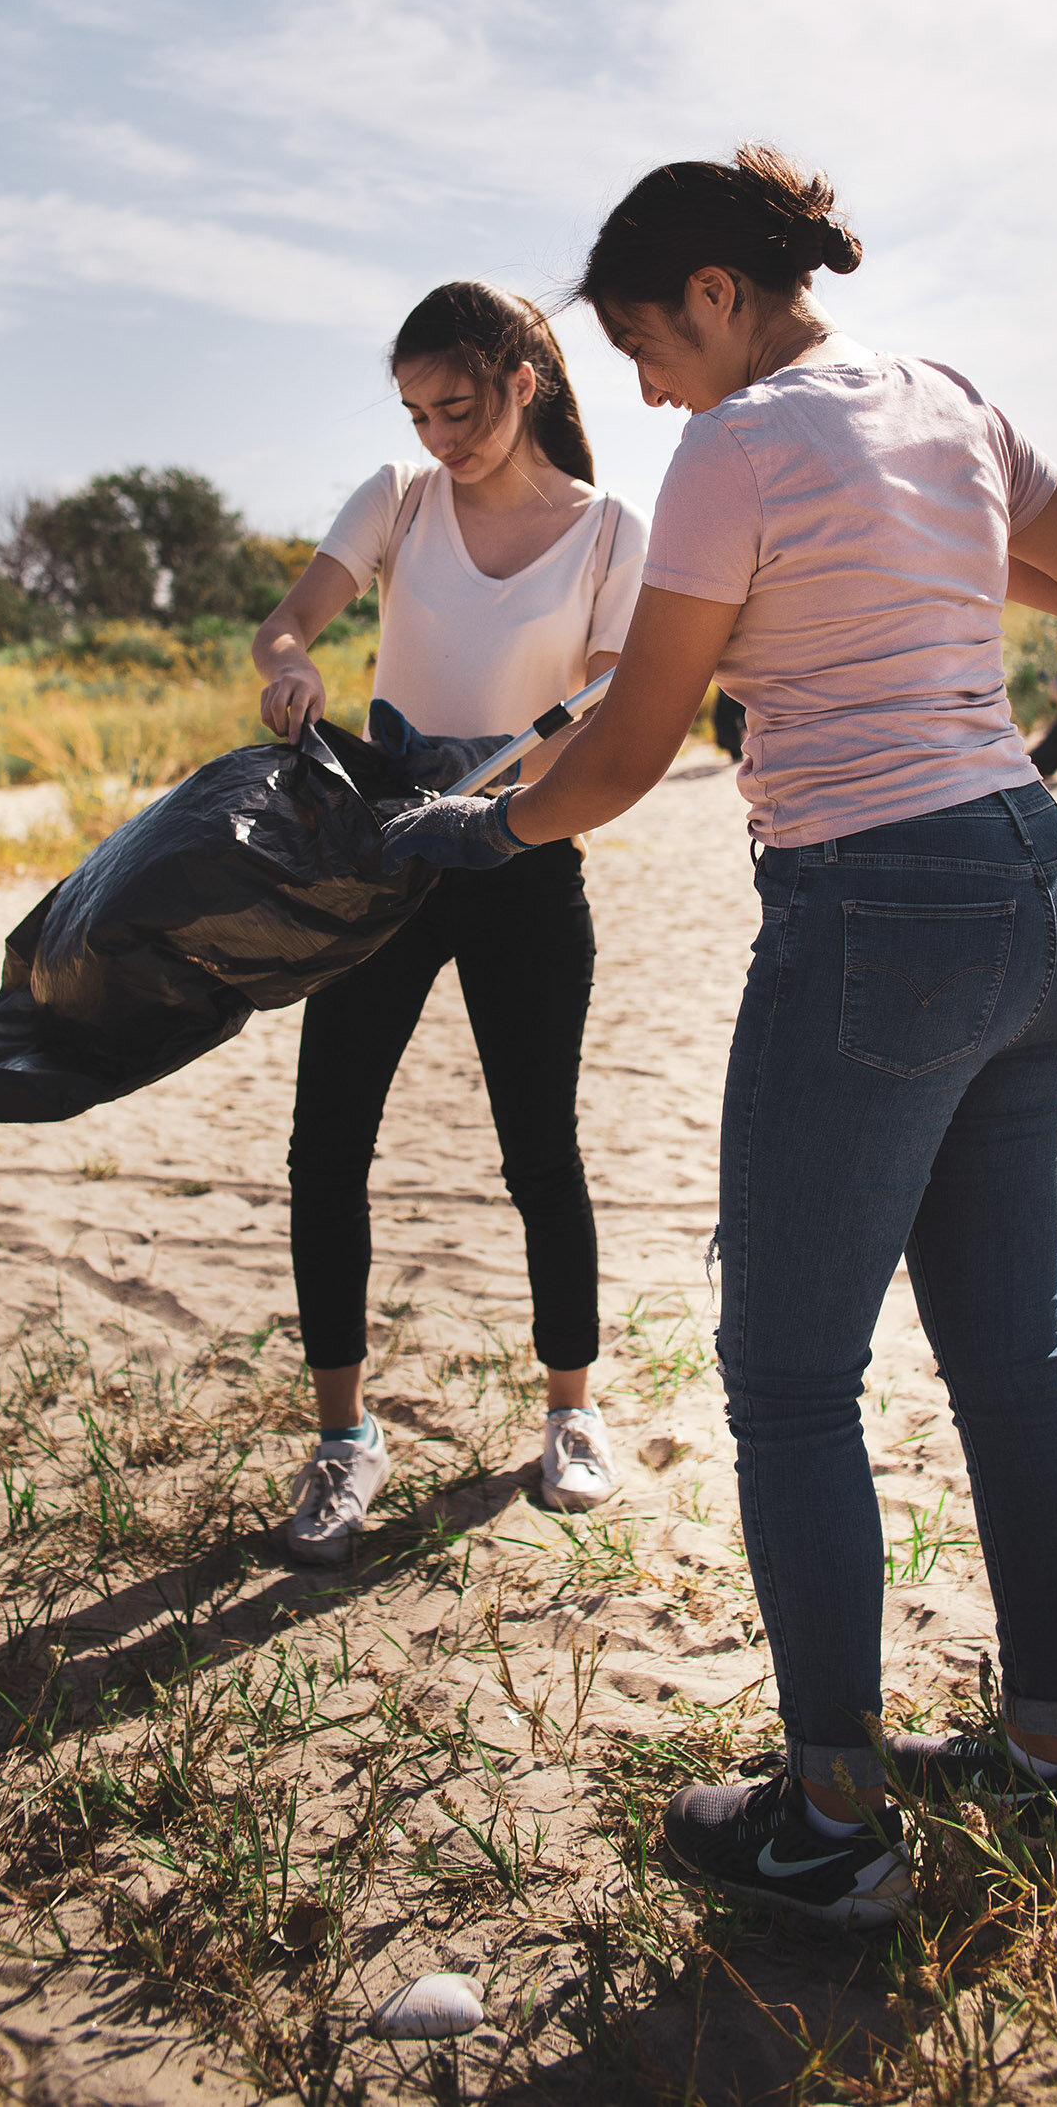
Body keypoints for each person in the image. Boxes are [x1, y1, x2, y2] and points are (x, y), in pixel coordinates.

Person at [380, 149, 1057, 1925]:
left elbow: (623, 753)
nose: (647, 388)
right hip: (1038, 892)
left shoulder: (732, 448)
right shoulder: (942, 397)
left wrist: (470, 832)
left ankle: (832, 1822)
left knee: (795, 1382)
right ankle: (1054, 1770)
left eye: (650, 345)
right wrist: (915, 569)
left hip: (876, 914)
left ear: (721, 299)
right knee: (1012, 1361)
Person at [252, 283, 647, 1563]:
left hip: (523, 860)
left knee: (540, 1148)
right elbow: (289, 618)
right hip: (383, 855)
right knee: (326, 1146)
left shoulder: (607, 534)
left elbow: (621, 714)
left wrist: (516, 811)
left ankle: (571, 1410)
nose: (436, 435)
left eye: (459, 407)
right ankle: (341, 1439)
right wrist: (291, 659)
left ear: (523, 380)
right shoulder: (398, 498)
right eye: (418, 411)